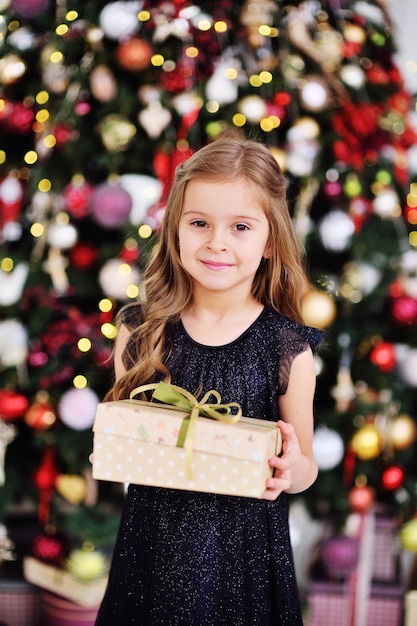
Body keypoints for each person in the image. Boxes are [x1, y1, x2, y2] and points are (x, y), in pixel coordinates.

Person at [94, 133, 322, 626]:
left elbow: (305, 467)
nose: (217, 242)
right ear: (176, 229)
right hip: (152, 549)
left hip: (244, 561)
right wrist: (110, 441)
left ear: (269, 241)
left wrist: (293, 468)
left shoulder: (288, 350)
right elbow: (126, 431)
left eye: (240, 226)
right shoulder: (141, 332)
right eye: (199, 223)